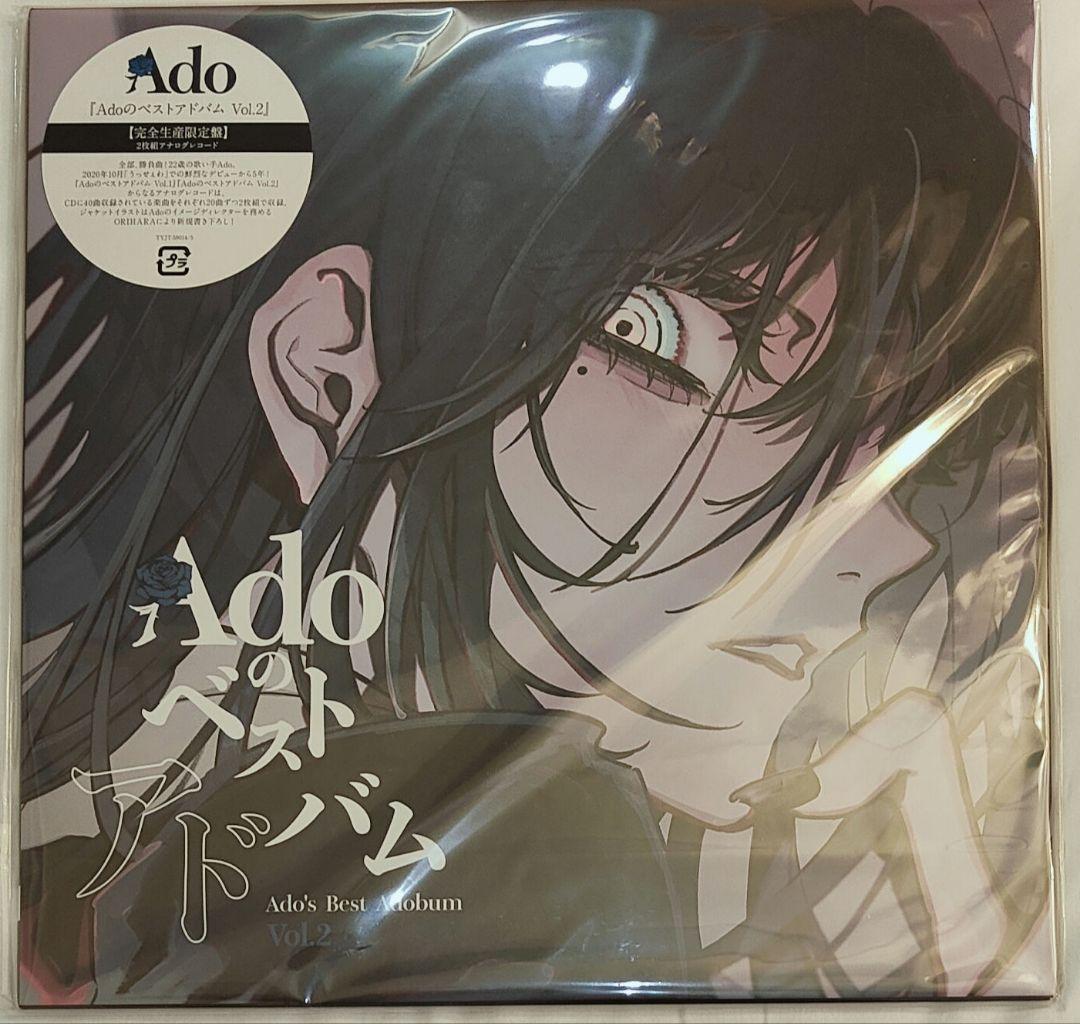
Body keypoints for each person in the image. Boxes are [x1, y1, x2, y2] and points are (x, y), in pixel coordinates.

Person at [21, 0, 1048, 1004]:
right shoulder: (86, 895)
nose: (881, 535)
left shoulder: (772, 874)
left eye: (885, 433)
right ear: (327, 372)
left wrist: (937, 944)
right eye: (662, 347)